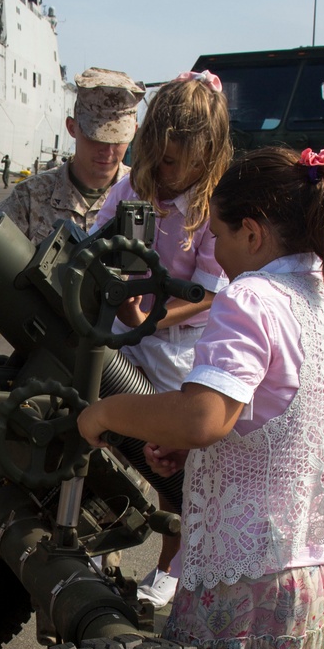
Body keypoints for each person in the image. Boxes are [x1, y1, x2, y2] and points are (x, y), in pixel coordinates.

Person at [79, 147, 324, 649]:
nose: (216, 253)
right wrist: (193, 456)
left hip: (249, 583)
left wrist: (104, 414)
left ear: (252, 231)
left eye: (217, 235)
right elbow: (287, 418)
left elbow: (203, 414)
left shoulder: (254, 297)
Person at [89, 71, 232, 608]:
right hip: (130, 328)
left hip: (179, 344)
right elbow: (99, 239)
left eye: (175, 163)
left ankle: (173, 562)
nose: (164, 172)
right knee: (111, 436)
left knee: (176, 457)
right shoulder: (134, 187)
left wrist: (147, 316)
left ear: (206, 155)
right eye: (158, 157)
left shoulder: (211, 206)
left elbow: (210, 293)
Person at [0, 68, 144, 352]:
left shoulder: (146, 198)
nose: (107, 151)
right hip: (45, 360)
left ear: (135, 133)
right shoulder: (30, 198)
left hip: (123, 369)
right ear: (72, 127)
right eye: (96, 137)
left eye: (117, 139)